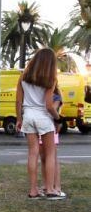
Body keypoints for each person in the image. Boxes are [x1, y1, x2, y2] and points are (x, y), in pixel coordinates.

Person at [16, 48, 64, 200]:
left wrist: (19, 118)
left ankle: (33, 190)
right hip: (43, 117)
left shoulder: (23, 76)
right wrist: (58, 118)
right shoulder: (50, 79)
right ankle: (50, 189)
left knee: (32, 153)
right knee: (50, 154)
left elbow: (18, 101)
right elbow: (49, 106)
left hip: (28, 115)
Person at [40, 86, 64, 198]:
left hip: (50, 127)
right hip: (40, 127)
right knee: (44, 158)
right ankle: (46, 185)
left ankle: (57, 187)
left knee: (53, 159)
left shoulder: (56, 97)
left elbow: (52, 110)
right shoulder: (41, 95)